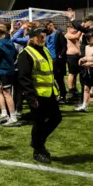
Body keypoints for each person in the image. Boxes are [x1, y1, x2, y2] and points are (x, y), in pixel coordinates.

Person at [17, 27, 62, 164]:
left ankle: (37, 142)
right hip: (37, 95)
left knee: (56, 118)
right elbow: (24, 78)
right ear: (31, 38)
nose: (43, 38)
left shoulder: (46, 50)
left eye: (44, 36)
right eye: (39, 36)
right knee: (39, 123)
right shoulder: (26, 54)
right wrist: (31, 97)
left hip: (49, 94)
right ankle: (38, 150)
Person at [75, 32, 93, 114]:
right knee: (86, 88)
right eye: (87, 38)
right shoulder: (86, 47)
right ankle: (84, 105)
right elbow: (88, 56)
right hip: (88, 70)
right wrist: (82, 59)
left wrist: (90, 63)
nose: (88, 39)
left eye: (90, 38)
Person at [45, 20, 68, 103]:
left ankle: (63, 96)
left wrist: (60, 55)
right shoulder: (46, 35)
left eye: (48, 26)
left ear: (52, 25)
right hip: (48, 59)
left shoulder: (58, 34)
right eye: (46, 26)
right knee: (50, 78)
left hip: (56, 59)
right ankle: (55, 94)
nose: (47, 28)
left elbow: (64, 47)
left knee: (59, 78)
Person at [65, 25, 83, 102]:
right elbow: (76, 36)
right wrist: (81, 28)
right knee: (72, 73)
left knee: (76, 74)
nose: (75, 30)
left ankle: (74, 88)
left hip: (77, 56)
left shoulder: (74, 35)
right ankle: (70, 90)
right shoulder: (67, 35)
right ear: (68, 28)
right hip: (71, 56)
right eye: (74, 28)